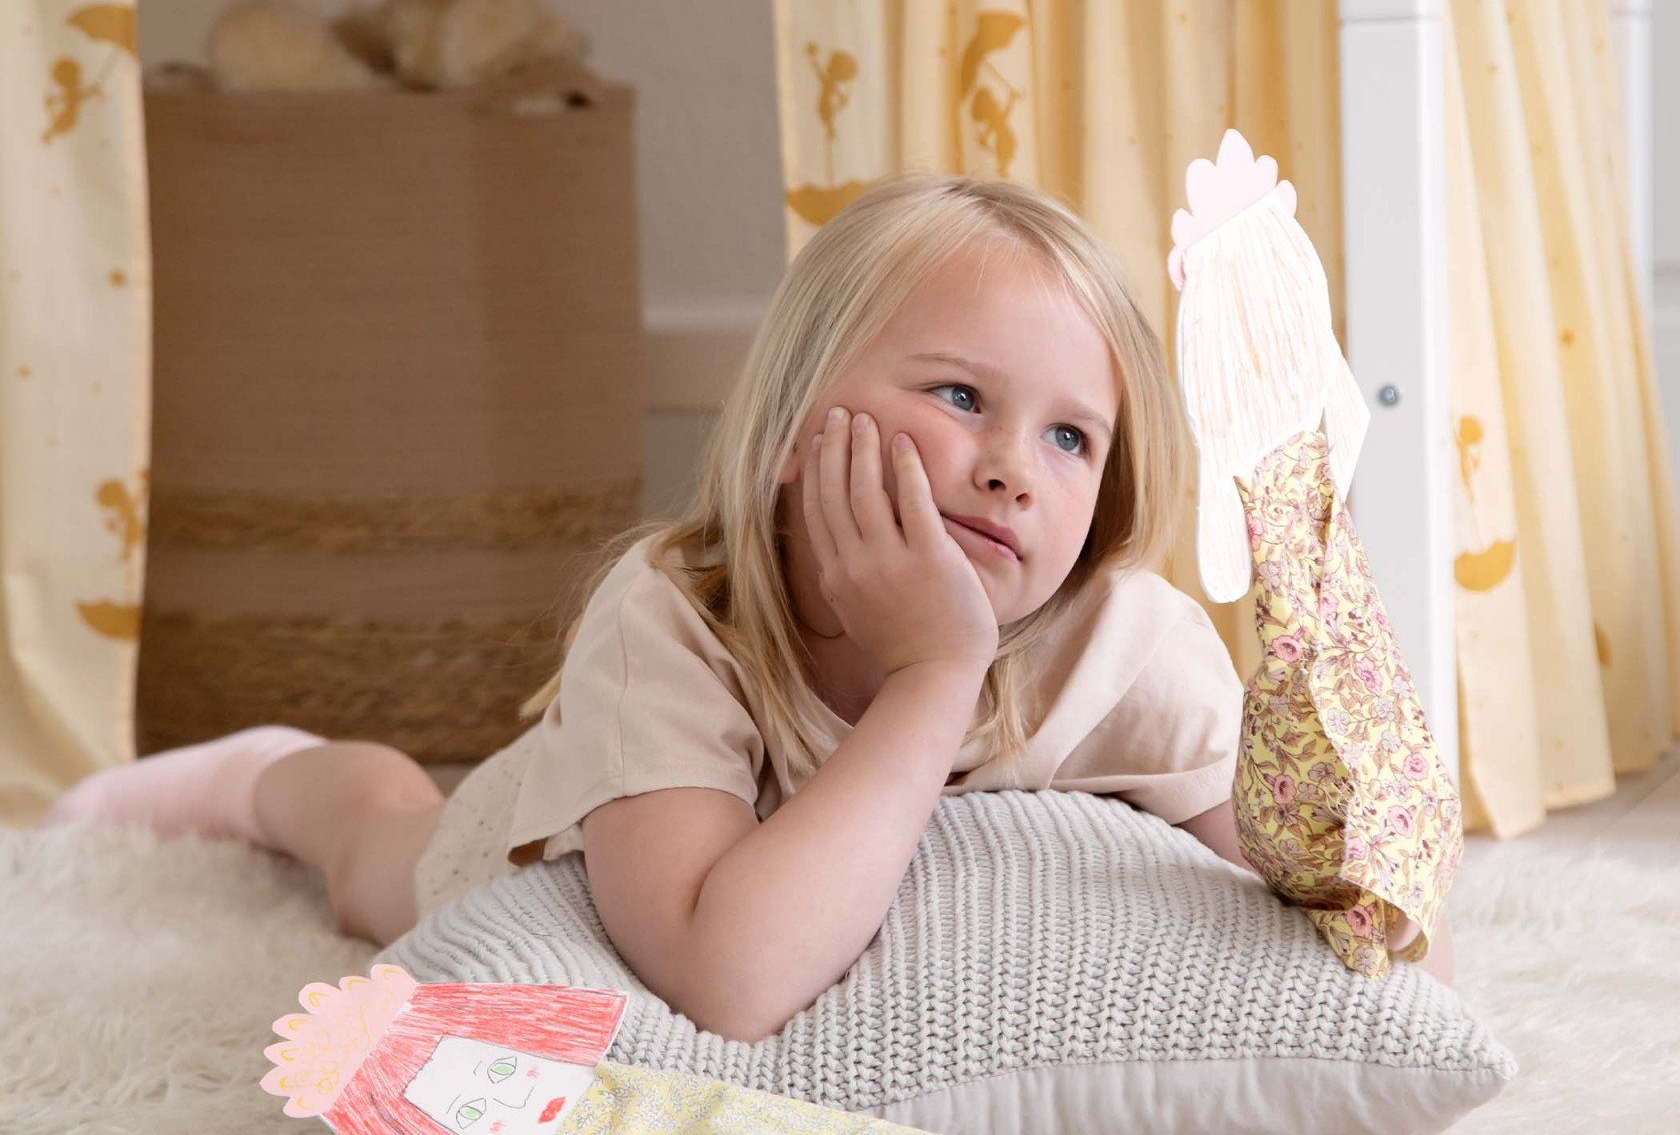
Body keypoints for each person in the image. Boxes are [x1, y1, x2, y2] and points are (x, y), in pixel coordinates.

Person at [46, 174, 1454, 1038]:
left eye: (1071, 439)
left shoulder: (1126, 645)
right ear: (794, 421)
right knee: (377, 850)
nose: (1010, 470)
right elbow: (729, 979)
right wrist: (931, 677)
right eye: (960, 397)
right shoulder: (670, 616)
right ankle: (271, 773)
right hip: (556, 827)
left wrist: (1362, 852)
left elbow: (1367, 932)